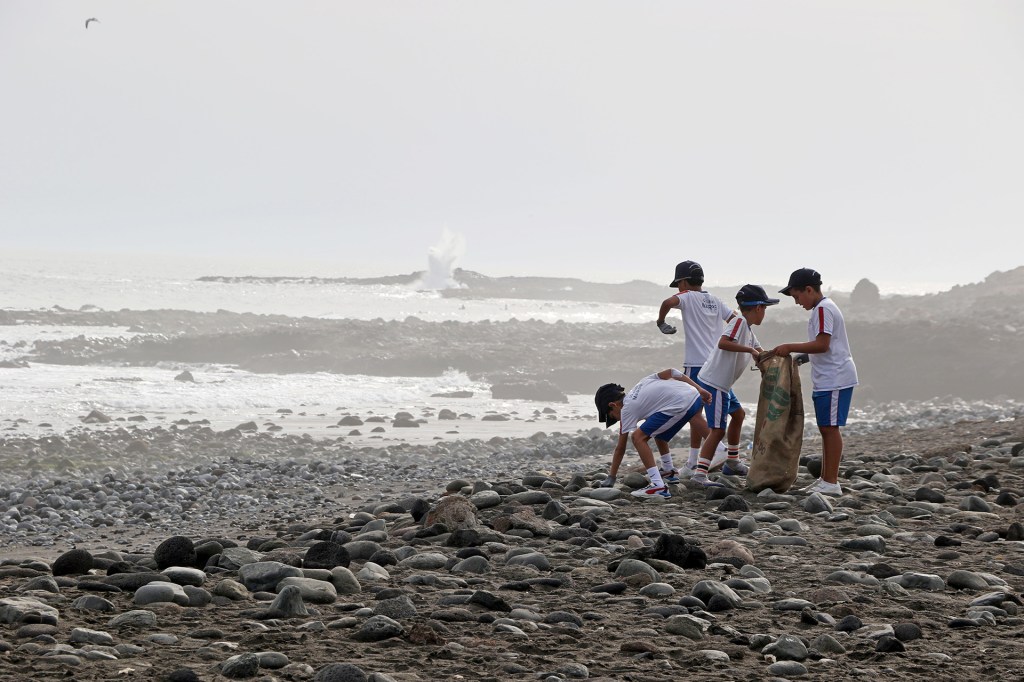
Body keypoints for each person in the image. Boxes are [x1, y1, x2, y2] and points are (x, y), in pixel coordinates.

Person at [769, 268, 858, 496]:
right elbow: (827, 344)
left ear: (809, 290)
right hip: (829, 377)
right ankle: (825, 479)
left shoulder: (822, 310)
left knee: (830, 429)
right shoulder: (823, 308)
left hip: (835, 377)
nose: (797, 302)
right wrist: (803, 357)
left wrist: (790, 347)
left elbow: (823, 344)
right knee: (826, 428)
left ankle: (830, 482)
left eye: (797, 296)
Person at [689, 285, 778, 486]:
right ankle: (700, 474)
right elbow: (723, 342)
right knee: (718, 429)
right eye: (764, 308)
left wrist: (774, 360)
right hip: (716, 383)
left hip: (723, 383)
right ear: (757, 308)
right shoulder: (738, 321)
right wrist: (750, 351)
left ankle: (732, 461)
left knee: (738, 415)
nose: (764, 312)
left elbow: (759, 350)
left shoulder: (747, 328)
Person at [656, 260, 733, 476]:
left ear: (684, 282)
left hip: (696, 365)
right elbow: (735, 321)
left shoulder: (686, 297)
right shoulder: (715, 300)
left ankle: (717, 448)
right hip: (716, 363)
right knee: (696, 413)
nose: (678, 288)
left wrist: (660, 322)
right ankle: (692, 462)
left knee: (690, 410)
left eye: (678, 284)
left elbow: (667, 302)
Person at [595, 370, 712, 498]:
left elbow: (620, 448)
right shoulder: (642, 383)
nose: (617, 420)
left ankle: (658, 486)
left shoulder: (627, 409)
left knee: (638, 437)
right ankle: (668, 471)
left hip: (681, 404)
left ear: (613, 405)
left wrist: (611, 477)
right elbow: (672, 371)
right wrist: (700, 389)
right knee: (654, 428)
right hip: (694, 396)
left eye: (612, 416)